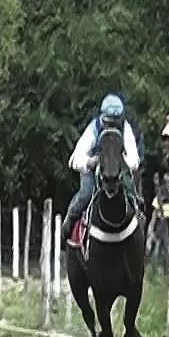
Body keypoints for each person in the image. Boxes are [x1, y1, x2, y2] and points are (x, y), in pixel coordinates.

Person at [62, 93, 140, 245]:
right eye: (108, 123)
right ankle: (67, 227)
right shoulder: (93, 128)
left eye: (115, 124)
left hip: (117, 170)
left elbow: (134, 161)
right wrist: (92, 161)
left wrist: (118, 161)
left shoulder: (126, 128)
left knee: (132, 193)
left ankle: (138, 226)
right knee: (85, 194)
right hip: (93, 169)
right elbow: (74, 159)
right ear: (102, 118)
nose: (111, 128)